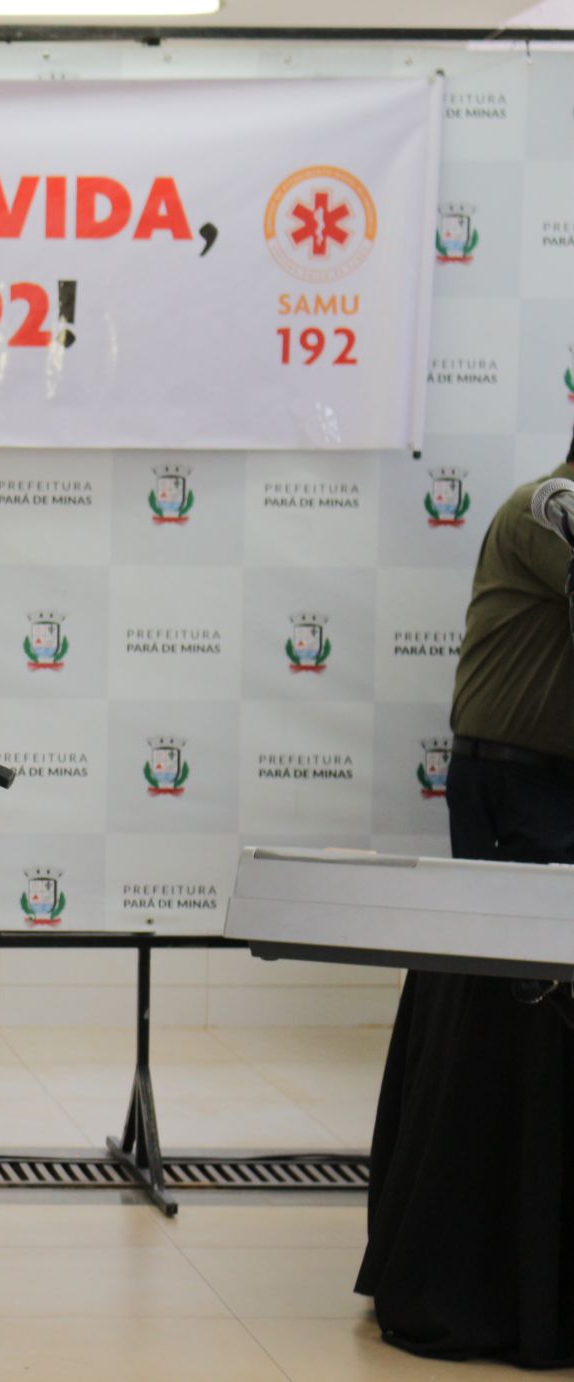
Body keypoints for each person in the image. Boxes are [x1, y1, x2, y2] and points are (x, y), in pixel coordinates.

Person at [357, 433, 574, 1367]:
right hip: (516, 785)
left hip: (555, 781)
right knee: (509, 1022)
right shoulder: (545, 506)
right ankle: (483, 1257)